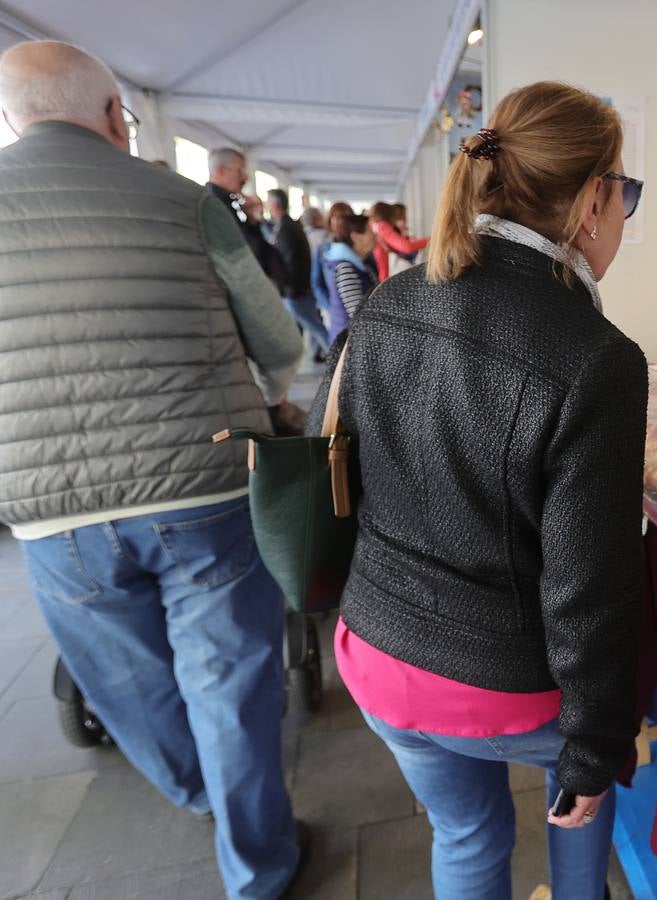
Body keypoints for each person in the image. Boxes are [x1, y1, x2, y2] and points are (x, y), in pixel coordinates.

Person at [306, 80, 647, 900]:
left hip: (379, 655)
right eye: (626, 193)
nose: (624, 215)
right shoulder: (596, 357)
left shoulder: (388, 303)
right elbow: (589, 588)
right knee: (582, 816)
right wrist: (597, 749)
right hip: (503, 684)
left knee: (465, 834)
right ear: (593, 200)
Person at [0, 40, 306, 899]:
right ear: (110, 115)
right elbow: (278, 343)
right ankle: (258, 865)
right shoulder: (187, 202)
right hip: (203, 484)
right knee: (232, 680)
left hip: (51, 509)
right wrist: (272, 395)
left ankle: (205, 794)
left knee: (127, 684)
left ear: (17, 118)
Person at [208, 146, 286, 290]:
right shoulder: (215, 204)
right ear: (220, 170)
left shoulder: (227, 202)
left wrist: (252, 219)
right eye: (240, 171)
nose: (245, 177)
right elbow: (246, 250)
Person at [265, 188, 329, 360]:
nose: (266, 204)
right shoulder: (286, 226)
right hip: (297, 290)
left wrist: (287, 287)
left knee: (315, 326)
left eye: (268, 201)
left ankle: (338, 359)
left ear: (275, 204)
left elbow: (290, 262)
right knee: (312, 325)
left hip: (296, 291)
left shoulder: (286, 229)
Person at [319, 210, 376, 343]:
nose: (374, 235)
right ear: (356, 237)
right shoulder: (346, 269)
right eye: (369, 231)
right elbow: (358, 314)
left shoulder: (362, 263)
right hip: (348, 345)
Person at [310, 200, 352, 318]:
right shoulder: (323, 249)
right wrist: (330, 307)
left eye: (345, 218)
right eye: (337, 218)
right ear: (330, 220)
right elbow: (316, 282)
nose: (341, 222)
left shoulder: (357, 247)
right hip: (333, 310)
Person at [368, 200, 428, 281]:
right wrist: (430, 240)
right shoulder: (382, 226)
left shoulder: (373, 226)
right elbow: (406, 246)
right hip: (383, 275)